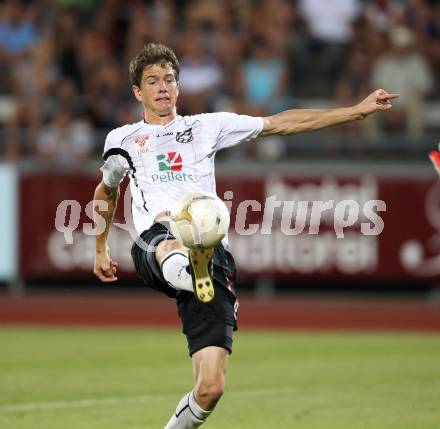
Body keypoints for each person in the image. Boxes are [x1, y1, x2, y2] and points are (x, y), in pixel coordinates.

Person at [92, 42, 398, 429]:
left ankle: (198, 269)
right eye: (153, 81)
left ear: (179, 86)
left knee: (210, 388)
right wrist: (100, 247)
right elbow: (107, 191)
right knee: (170, 237)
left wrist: (355, 111)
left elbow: (280, 122)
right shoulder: (123, 138)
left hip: (212, 247)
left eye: (169, 79)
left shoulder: (206, 127)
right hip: (156, 238)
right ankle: (188, 266)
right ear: (138, 91)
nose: (163, 87)